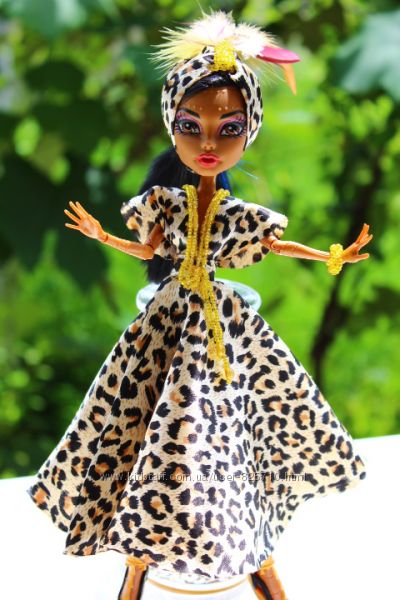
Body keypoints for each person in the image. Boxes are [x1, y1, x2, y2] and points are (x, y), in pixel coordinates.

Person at [27, 10, 372, 600]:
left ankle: (252, 549)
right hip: (168, 325)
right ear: (172, 124)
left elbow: (272, 244)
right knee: (141, 424)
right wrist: (101, 235)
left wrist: (331, 255)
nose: (208, 143)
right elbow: (147, 248)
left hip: (222, 333)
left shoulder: (236, 213)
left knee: (235, 433)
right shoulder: (165, 202)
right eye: (191, 125)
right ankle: (139, 559)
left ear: (249, 130)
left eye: (228, 128)